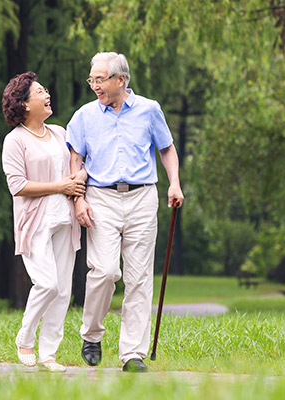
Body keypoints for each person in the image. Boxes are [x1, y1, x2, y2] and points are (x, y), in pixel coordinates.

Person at [67, 52, 184, 373]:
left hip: (142, 198)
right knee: (104, 271)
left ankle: (133, 354)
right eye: (91, 79)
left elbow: (166, 148)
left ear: (121, 80)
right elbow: (75, 160)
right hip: (100, 198)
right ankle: (92, 334)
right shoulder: (85, 116)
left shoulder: (149, 110)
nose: (94, 86)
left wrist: (174, 183)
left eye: (100, 79)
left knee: (138, 278)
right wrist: (78, 200)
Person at [1, 71, 86, 372]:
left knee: (62, 290)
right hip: (34, 223)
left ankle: (49, 353)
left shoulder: (61, 133)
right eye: (40, 92)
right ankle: (25, 337)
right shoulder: (15, 141)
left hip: (64, 219)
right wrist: (60, 186)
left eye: (46, 90)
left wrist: (78, 180)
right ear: (24, 104)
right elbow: (18, 186)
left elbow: (80, 166)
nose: (47, 94)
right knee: (47, 283)